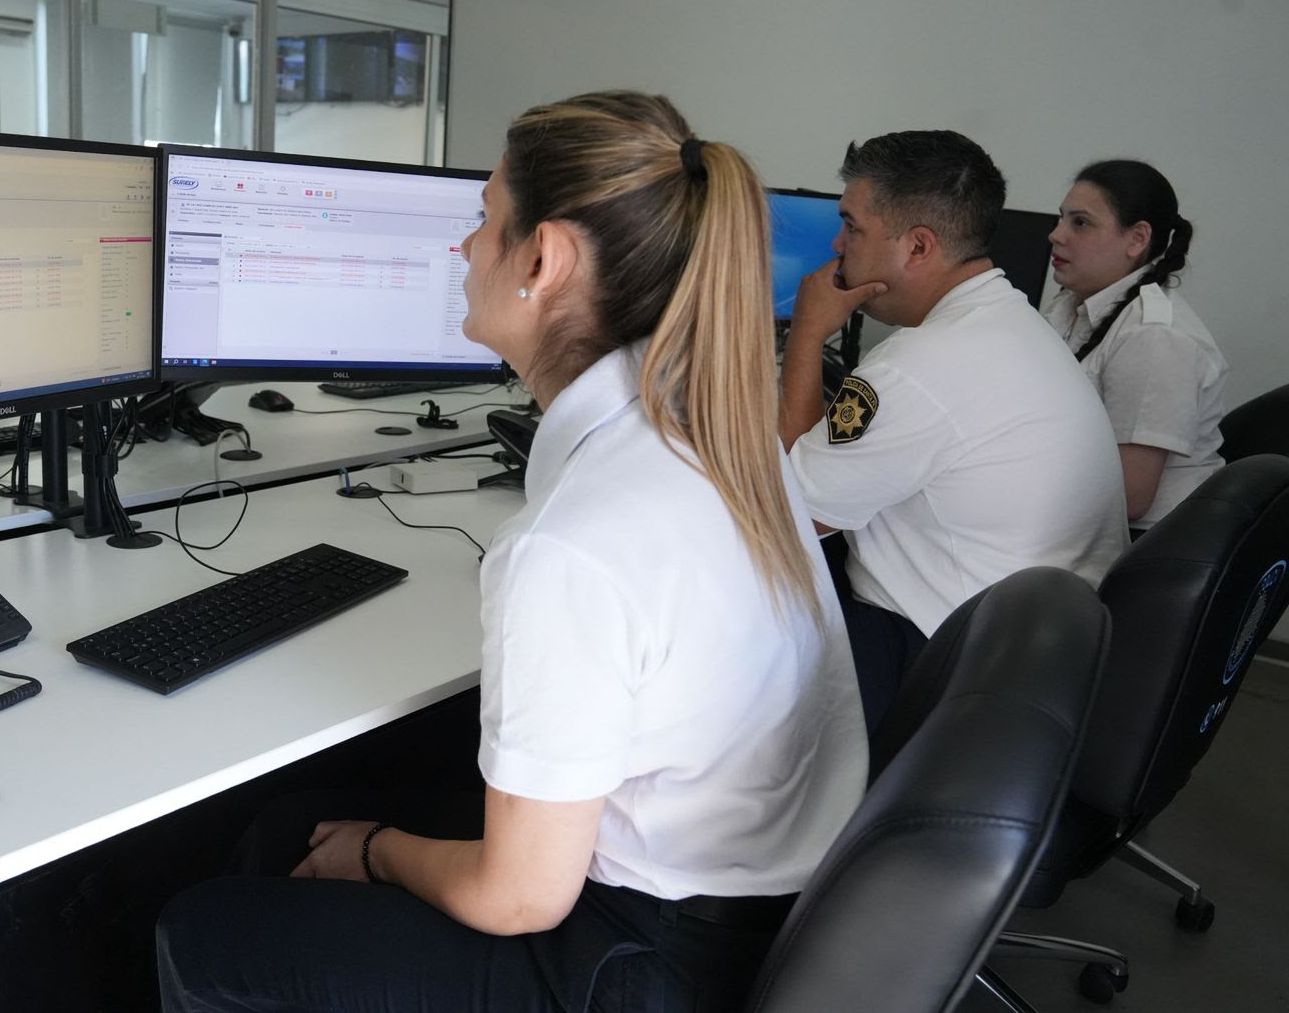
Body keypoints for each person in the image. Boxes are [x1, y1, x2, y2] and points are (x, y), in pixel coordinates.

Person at [156, 91, 868, 1012]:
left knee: (205, 932)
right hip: (767, 907)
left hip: (640, 962)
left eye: (484, 218)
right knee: (298, 820)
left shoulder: (573, 545)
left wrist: (375, 851)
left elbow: (521, 898)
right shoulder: (724, 440)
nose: (464, 247)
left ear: (542, 258)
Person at [778, 130, 1128, 731]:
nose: (836, 246)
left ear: (918, 246)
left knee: (743, 578)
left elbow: (787, 515)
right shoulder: (1010, 320)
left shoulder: (917, 368)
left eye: (852, 227)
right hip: (1041, 648)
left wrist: (808, 334)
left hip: (949, 666)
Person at [1040, 160, 1226, 529]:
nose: (1056, 235)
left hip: (1137, 541)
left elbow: (1131, 496)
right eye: (1062, 218)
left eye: (1080, 223)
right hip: (1078, 516)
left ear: (1137, 239)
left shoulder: (1154, 337)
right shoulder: (1071, 303)